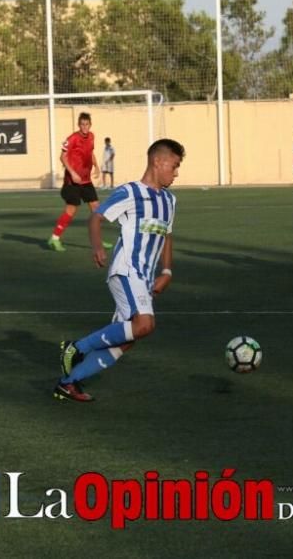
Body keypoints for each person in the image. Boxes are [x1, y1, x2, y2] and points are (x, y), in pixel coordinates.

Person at [54, 138, 185, 402]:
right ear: (158, 162)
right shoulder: (130, 193)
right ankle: (77, 347)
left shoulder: (169, 201)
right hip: (127, 270)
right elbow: (96, 217)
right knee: (145, 324)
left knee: (126, 339)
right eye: (174, 165)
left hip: (145, 277)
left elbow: (167, 236)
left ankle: (69, 382)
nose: (177, 172)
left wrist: (167, 272)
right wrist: (97, 247)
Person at [47, 112, 102, 251]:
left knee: (97, 210)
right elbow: (62, 156)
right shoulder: (72, 138)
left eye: (87, 124)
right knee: (71, 210)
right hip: (72, 182)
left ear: (90, 125)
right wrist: (72, 173)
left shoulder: (91, 136)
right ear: (79, 125)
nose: (84, 127)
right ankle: (54, 239)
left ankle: (97, 241)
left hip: (86, 181)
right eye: (82, 124)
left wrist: (96, 166)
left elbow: (91, 153)